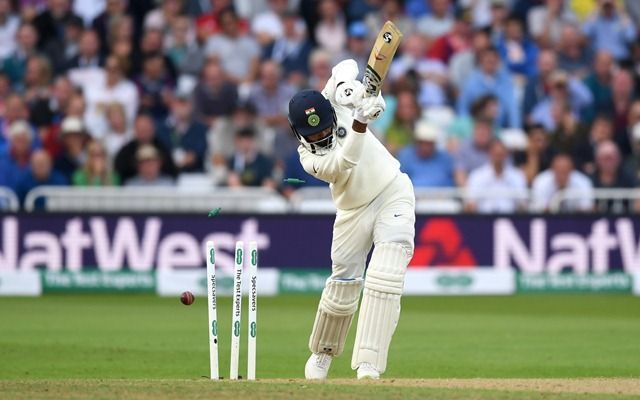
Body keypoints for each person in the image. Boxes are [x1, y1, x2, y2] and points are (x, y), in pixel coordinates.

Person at [288, 59, 415, 380]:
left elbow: (345, 66)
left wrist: (356, 92)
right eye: (313, 134)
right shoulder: (309, 158)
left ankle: (369, 363)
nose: (322, 135)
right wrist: (359, 120)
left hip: (392, 190)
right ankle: (323, 353)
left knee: (385, 275)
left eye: (326, 128)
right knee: (343, 284)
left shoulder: (331, 100)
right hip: (352, 210)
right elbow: (347, 160)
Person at [465, 139, 527, 213]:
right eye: (496, 154)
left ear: (506, 155)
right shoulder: (477, 176)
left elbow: (523, 204)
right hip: (482, 219)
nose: (498, 158)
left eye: (501, 155)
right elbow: (470, 203)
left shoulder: (517, 176)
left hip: (511, 218)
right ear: (489, 154)